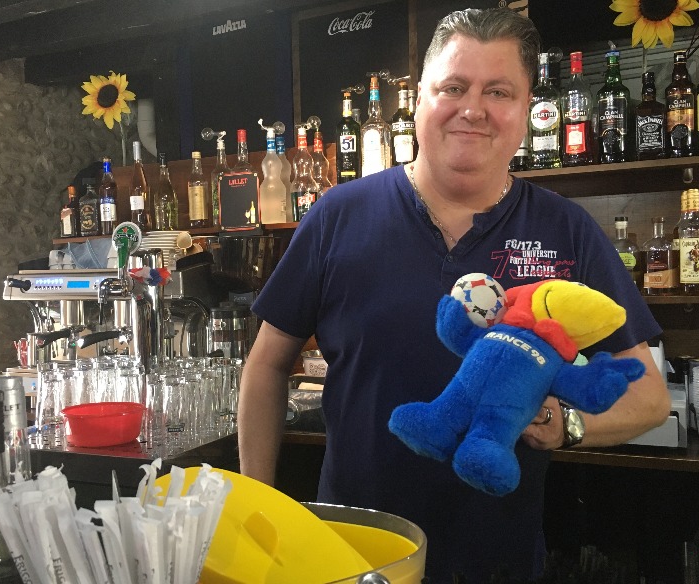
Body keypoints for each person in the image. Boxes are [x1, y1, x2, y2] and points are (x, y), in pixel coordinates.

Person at [238, 7, 671, 582]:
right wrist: (259, 514)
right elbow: (266, 368)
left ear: (525, 110)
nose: (473, 109)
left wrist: (564, 422)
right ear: (419, 99)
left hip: (497, 562)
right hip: (353, 557)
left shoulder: (566, 229)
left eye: (499, 91)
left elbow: (649, 398)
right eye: (453, 87)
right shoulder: (337, 216)